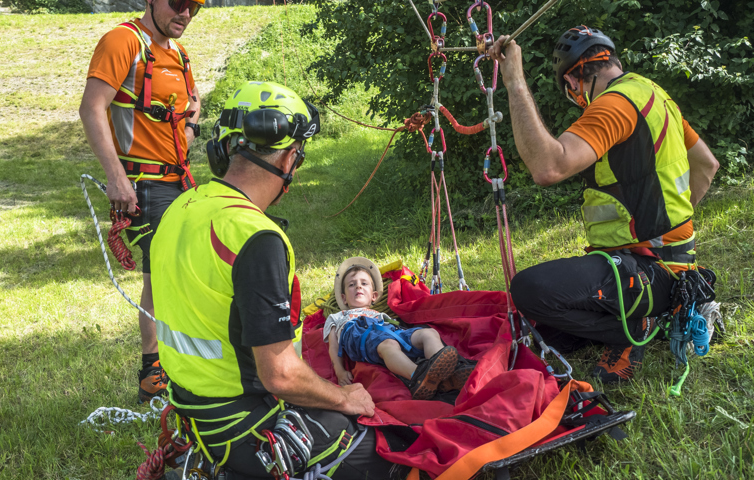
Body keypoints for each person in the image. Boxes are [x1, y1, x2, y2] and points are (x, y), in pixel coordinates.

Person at [149, 81, 396, 480]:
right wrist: (343, 397)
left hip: (194, 414)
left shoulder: (182, 206)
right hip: (244, 428)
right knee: (391, 453)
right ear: (288, 159)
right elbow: (279, 375)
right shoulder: (254, 237)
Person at [488, 26, 720, 384]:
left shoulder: (613, 104)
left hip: (646, 271)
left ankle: (632, 329)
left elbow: (548, 166)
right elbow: (707, 165)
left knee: (529, 290)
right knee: (544, 331)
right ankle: (635, 313)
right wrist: (670, 224)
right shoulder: (654, 95)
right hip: (667, 265)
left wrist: (515, 81)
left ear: (574, 80)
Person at [79, 0, 204, 402]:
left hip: (180, 181)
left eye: (196, 7)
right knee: (162, 277)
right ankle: (154, 375)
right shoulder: (123, 41)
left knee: (183, 273)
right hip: (145, 182)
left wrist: (191, 126)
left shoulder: (179, 54)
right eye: (179, 3)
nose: (186, 13)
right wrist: (117, 178)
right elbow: (91, 107)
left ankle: (180, 363)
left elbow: (191, 105)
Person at [326, 257, 474, 400]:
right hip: (361, 334)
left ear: (374, 296)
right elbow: (333, 346)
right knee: (389, 345)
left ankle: (445, 372)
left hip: (392, 331)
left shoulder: (381, 315)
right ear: (344, 298)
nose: (358, 286)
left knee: (428, 333)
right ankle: (418, 377)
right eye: (352, 285)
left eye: (364, 283)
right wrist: (340, 371)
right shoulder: (338, 316)